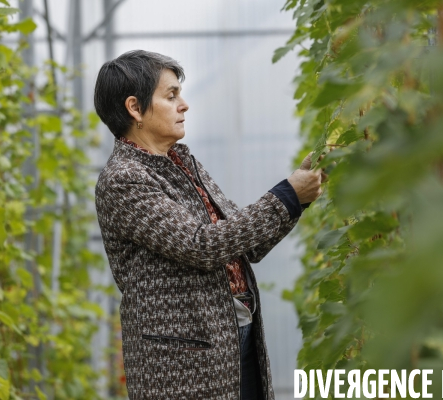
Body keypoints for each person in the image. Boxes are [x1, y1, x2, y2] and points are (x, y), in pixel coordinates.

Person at [93, 50, 327, 400]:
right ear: (135, 108)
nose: (184, 105)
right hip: (183, 364)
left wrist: (301, 196)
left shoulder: (182, 161)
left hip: (233, 335)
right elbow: (200, 246)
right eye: (171, 96)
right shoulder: (124, 179)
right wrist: (288, 195)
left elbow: (247, 243)